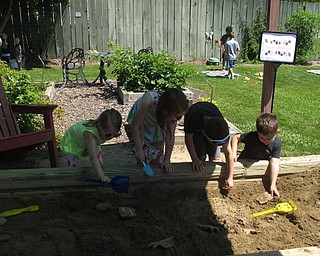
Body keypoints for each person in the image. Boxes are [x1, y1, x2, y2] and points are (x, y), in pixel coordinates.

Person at [126, 88, 189, 173]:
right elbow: (135, 126)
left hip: (158, 120)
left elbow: (169, 136)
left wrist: (166, 160)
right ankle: (140, 167)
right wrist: (139, 150)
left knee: (157, 150)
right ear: (167, 110)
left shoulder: (173, 114)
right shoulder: (149, 100)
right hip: (142, 120)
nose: (177, 119)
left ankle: (155, 169)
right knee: (141, 151)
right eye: (177, 116)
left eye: (180, 117)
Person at [60, 109, 122, 182]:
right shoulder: (90, 134)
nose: (111, 137)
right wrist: (101, 176)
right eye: (108, 135)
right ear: (99, 126)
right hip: (74, 140)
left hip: (89, 140)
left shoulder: (103, 132)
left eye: (115, 135)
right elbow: (93, 158)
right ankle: (75, 177)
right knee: (74, 158)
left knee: (96, 153)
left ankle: (100, 169)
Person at [184, 102, 234, 189]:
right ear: (205, 134)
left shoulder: (221, 127)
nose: (220, 146)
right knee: (201, 158)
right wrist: (195, 159)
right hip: (196, 125)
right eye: (216, 144)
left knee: (215, 158)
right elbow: (188, 139)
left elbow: (228, 153)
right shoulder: (193, 119)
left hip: (211, 120)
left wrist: (230, 177)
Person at [231, 113, 282, 197]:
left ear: (276, 132)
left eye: (268, 138)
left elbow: (275, 163)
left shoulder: (277, 144)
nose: (265, 141)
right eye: (261, 138)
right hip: (242, 163)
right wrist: (233, 153)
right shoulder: (252, 136)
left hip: (259, 169)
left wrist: (273, 184)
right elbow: (236, 138)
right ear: (257, 132)